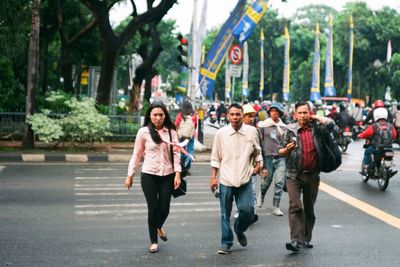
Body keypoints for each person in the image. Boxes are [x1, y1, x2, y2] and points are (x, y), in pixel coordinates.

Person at [124, 101, 182, 253]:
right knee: (153, 208)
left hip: (167, 175)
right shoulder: (143, 132)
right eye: (155, 115)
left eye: (161, 115)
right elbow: (136, 154)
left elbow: (176, 154)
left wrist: (177, 174)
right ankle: (154, 241)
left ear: (165, 115)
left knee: (165, 208)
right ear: (150, 115)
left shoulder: (171, 132)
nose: (158, 118)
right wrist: (130, 175)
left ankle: (158, 226)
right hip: (149, 175)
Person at [279, 101, 334, 252]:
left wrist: (316, 117)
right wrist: (286, 150)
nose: (303, 116)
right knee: (295, 206)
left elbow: (331, 125)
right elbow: (280, 151)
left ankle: (306, 238)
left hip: (313, 176)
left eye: (306, 112)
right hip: (293, 175)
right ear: (295, 115)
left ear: (309, 113)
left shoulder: (317, 129)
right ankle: (295, 240)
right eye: (300, 113)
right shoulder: (289, 130)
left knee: (309, 209)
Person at [210, 103, 262, 254]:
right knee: (225, 213)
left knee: (248, 210)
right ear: (227, 116)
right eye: (232, 114)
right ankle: (226, 242)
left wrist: (258, 165)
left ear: (242, 115)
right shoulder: (221, 133)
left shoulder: (252, 132)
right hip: (225, 179)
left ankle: (239, 229)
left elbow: (257, 151)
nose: (235, 117)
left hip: (245, 178)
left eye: (238, 114)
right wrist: (213, 178)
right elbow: (215, 157)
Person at [257, 102, 287, 216]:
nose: (274, 113)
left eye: (277, 111)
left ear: (280, 113)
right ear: (270, 113)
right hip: (267, 157)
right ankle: (262, 194)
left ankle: (276, 206)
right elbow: (259, 141)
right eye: (272, 111)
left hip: (280, 158)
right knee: (266, 182)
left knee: (279, 182)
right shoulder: (263, 125)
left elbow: (286, 142)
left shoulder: (283, 127)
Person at [358, 107, 396, 175]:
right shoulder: (391, 126)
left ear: (375, 115)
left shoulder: (374, 126)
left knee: (367, 151)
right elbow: (394, 135)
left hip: (377, 148)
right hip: (389, 148)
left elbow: (366, 134)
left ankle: (366, 167)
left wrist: (360, 135)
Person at [242, 104, 260, 224]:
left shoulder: (255, 131)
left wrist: (259, 165)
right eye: (248, 116)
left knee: (252, 189)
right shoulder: (234, 130)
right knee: (240, 190)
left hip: (252, 166)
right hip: (238, 167)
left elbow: (258, 149)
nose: (251, 118)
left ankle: (252, 212)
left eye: (253, 116)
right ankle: (241, 211)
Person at [175, 100, 197, 171]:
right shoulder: (193, 116)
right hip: (190, 136)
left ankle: (183, 167)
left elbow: (176, 125)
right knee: (190, 151)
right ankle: (188, 166)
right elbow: (195, 126)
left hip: (181, 136)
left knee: (182, 151)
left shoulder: (180, 115)